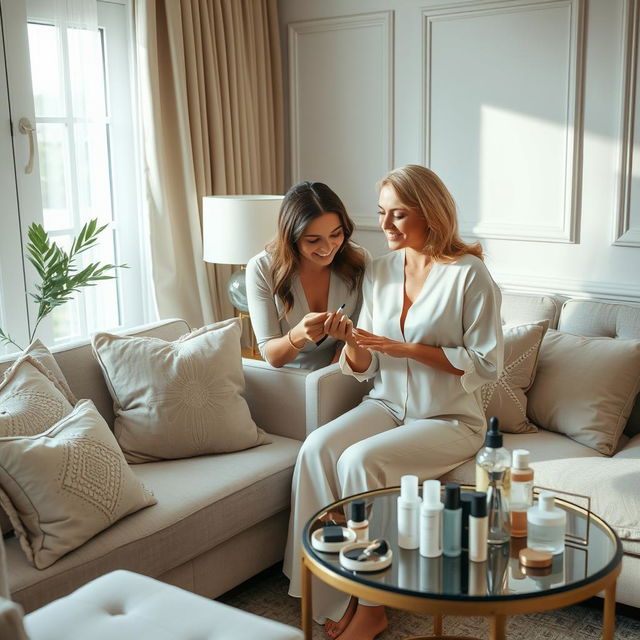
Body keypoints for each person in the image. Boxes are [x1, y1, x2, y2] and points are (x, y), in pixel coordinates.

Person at [283, 165, 504, 640]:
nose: (384, 226)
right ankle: (326, 588)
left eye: (398, 215)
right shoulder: (380, 271)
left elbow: (487, 364)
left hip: (447, 418)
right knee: (316, 449)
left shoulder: (469, 275)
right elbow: (366, 366)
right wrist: (353, 343)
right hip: (386, 405)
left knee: (362, 460)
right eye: (382, 213)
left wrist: (410, 350)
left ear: (430, 214)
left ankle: (372, 601)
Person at [246, 181, 369, 370]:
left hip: (342, 370)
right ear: (291, 238)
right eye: (313, 240)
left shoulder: (359, 261)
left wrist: (330, 377)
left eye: (335, 235)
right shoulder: (261, 268)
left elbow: (359, 334)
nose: (327, 248)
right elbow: (271, 356)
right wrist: (298, 335)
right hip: (289, 376)